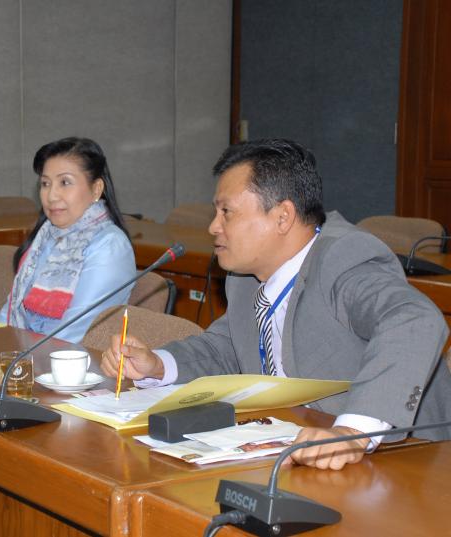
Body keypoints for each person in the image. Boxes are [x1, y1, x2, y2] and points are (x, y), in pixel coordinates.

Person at [100, 139, 450, 470]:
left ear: (283, 217)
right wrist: (157, 365)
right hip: (297, 441)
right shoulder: (245, 277)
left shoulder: (342, 259)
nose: (213, 227)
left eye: (226, 212)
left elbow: (415, 321)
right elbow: (226, 346)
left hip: (407, 456)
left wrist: (353, 432)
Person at [0, 137, 136, 344]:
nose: (52, 195)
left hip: (70, 359)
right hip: (28, 353)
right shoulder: (45, 236)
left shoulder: (109, 246)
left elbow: (73, 333)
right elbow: (10, 310)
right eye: (45, 183)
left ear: (96, 189)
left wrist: (13, 356)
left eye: (65, 182)